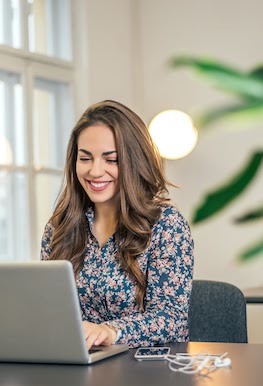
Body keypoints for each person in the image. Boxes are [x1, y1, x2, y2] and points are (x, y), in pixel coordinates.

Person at [40, 99, 194, 349]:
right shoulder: (59, 228)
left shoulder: (166, 225)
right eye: (85, 158)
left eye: (111, 160)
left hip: (147, 374)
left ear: (134, 162)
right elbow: (49, 313)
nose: (95, 171)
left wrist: (109, 332)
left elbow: (172, 320)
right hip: (77, 369)